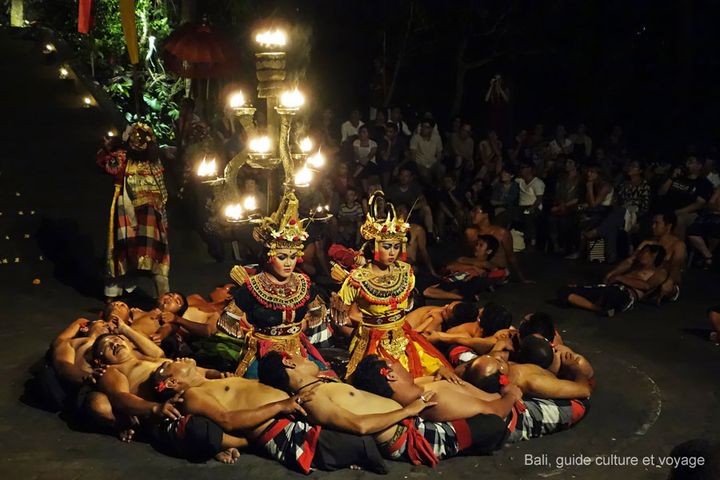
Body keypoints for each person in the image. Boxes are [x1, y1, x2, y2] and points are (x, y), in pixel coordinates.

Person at [259, 352, 508, 467]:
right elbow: (360, 425)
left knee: (471, 407)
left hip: (413, 423)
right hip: (410, 437)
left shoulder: (323, 383)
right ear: (289, 362)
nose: (306, 357)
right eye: (300, 356)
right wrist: (408, 411)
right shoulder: (311, 399)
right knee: (494, 424)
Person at [153, 358, 388, 473]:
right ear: (173, 382)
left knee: (367, 425)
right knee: (365, 445)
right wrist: (281, 406)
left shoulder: (212, 381)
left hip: (294, 411)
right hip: (281, 427)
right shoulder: (194, 394)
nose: (178, 359)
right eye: (172, 364)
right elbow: (228, 420)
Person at [330, 192, 452, 379]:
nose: (392, 252)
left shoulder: (405, 271)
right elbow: (342, 315)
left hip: (403, 338)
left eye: (396, 247)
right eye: (387, 247)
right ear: (373, 247)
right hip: (371, 343)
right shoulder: (358, 278)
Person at [352, 353, 589, 445]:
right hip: (516, 414)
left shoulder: (415, 388)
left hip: (503, 400)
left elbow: (437, 377)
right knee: (579, 404)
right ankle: (579, 378)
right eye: (395, 364)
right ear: (391, 375)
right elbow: (493, 412)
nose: (401, 365)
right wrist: (511, 395)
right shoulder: (434, 398)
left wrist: (444, 372)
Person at [229, 192, 331, 378]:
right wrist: (250, 330)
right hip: (264, 353)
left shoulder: (303, 283)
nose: (288, 263)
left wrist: (304, 324)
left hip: (298, 351)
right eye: (282, 257)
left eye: (293, 257)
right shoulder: (252, 286)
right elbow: (228, 322)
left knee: (327, 381)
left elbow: (318, 313)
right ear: (269, 257)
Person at [97, 123, 170, 301]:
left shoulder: (154, 162)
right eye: (135, 140)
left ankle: (165, 300)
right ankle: (113, 297)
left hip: (153, 214)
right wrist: (111, 146)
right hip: (127, 209)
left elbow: (162, 191)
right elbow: (107, 164)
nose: (140, 144)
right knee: (122, 251)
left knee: (155, 257)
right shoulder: (123, 157)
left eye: (144, 141)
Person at [558, 244, 668, 316]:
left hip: (626, 294)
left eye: (645, 252)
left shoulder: (658, 272)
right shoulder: (635, 266)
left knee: (611, 294)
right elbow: (626, 263)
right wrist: (613, 275)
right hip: (609, 288)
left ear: (653, 255)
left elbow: (646, 286)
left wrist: (620, 278)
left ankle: (602, 305)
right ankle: (598, 309)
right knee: (564, 291)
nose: (641, 255)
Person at [605, 212, 686, 302]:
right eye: (653, 223)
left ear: (668, 226)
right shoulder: (648, 243)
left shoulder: (678, 245)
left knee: (663, 275)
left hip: (665, 279)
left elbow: (676, 266)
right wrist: (612, 273)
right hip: (645, 277)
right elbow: (630, 260)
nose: (653, 226)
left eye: (657, 223)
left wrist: (670, 281)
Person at [423, 235, 509, 300]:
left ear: (489, 251)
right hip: (450, 278)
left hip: (462, 282)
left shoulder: (488, 264)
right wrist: (473, 267)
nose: (476, 247)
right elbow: (450, 266)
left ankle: (460, 297)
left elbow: (497, 271)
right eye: (477, 244)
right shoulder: (467, 259)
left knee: (427, 291)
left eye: (481, 245)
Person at [465, 205, 532, 283]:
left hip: (498, 271)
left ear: (485, 214)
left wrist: (522, 278)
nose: (472, 214)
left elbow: (511, 257)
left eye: (475, 211)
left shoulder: (501, 233)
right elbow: (472, 254)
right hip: (479, 267)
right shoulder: (470, 232)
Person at [657, 156, 714, 239]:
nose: (687, 164)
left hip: (686, 212)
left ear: (699, 166)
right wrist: (672, 178)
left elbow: (699, 203)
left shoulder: (704, 183)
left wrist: (677, 212)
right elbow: (661, 193)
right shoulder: (677, 177)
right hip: (666, 208)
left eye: (690, 162)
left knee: (679, 219)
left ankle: (678, 247)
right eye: (686, 162)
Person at [548, 157, 582, 255]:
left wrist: (563, 205)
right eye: (566, 162)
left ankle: (565, 246)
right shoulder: (562, 178)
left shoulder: (580, 179)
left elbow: (579, 198)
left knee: (564, 221)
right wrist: (558, 204)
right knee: (552, 219)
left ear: (576, 165)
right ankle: (556, 245)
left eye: (570, 162)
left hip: (574, 207)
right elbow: (557, 193)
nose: (567, 164)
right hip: (560, 204)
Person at [687, 186, 720, 269]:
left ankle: (708, 257)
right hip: (712, 216)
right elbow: (711, 203)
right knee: (693, 231)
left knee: (716, 230)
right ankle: (708, 255)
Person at [514, 160, 545, 249]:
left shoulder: (537, 183)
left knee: (527, 215)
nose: (521, 170)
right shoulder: (520, 181)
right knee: (509, 213)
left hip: (534, 207)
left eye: (523, 168)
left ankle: (531, 242)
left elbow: (539, 199)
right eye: (521, 168)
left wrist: (532, 207)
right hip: (520, 207)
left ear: (529, 169)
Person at [409, 119, 444, 185]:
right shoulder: (416, 138)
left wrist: (437, 164)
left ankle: (438, 188)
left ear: (431, 129)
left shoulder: (437, 138)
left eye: (426, 127)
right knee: (425, 174)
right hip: (420, 164)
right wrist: (420, 167)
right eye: (422, 126)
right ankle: (430, 189)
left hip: (433, 163)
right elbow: (413, 157)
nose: (423, 129)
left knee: (441, 169)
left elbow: (439, 154)